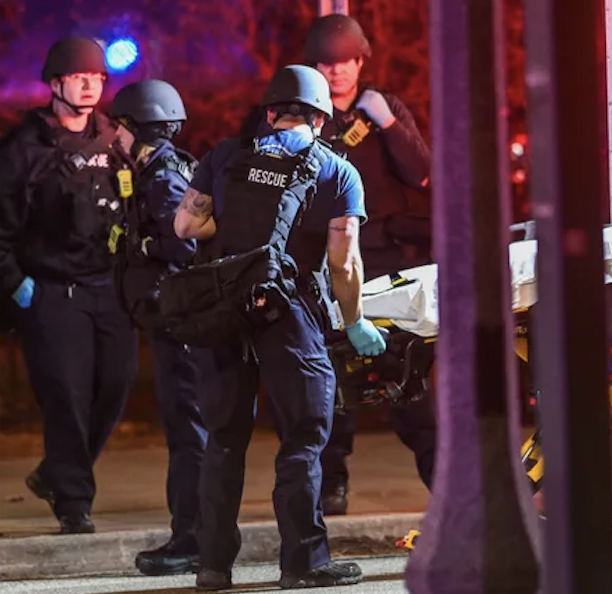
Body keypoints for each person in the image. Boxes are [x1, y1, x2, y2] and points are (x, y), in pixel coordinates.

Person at [172, 64, 385, 590]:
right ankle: (302, 562)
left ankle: (212, 565)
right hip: (288, 315)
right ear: (321, 119)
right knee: (302, 439)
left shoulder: (224, 155)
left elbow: (185, 224)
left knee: (223, 439)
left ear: (269, 114)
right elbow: (344, 263)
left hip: (223, 313)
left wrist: (234, 233)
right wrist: (355, 321)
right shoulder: (337, 172)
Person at [0, 36, 139, 535]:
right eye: (79, 77)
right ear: (55, 83)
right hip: (53, 291)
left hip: (108, 288)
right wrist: (18, 285)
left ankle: (57, 472)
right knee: (67, 396)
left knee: (116, 385)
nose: (89, 86)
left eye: (96, 77)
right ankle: (74, 502)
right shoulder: (24, 149)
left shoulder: (117, 140)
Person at [303, 13, 437, 516]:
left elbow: (423, 173)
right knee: (332, 379)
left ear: (361, 62)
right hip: (325, 263)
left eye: (345, 62)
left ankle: (446, 485)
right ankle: (330, 486)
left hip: (384, 258)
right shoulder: (304, 112)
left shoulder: (383, 109)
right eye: (326, 64)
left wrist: (389, 124)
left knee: (409, 375)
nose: (336, 71)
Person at [109, 79, 207, 575]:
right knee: (189, 430)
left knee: (189, 433)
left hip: (180, 324)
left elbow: (183, 244)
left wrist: (143, 247)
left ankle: (192, 540)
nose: (116, 136)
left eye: (121, 127)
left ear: (139, 128)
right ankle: (197, 535)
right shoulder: (159, 169)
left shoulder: (164, 177)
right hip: (173, 321)